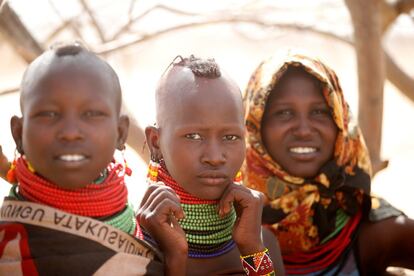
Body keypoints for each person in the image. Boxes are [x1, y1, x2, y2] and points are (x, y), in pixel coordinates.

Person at [0, 43, 181, 275]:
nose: (70, 132)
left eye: (92, 114)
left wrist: (175, 259)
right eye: (48, 114)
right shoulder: (10, 246)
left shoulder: (151, 232)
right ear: (18, 133)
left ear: (120, 133)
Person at [243, 52, 414, 275]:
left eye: (320, 112)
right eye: (284, 113)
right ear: (255, 127)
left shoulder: (374, 230)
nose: (304, 130)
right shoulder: (224, 223)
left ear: (340, 124)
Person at [138, 55, 285, 275]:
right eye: (194, 136)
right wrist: (175, 259)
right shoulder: (131, 245)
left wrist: (251, 248)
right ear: (155, 142)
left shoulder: (260, 244)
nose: (215, 157)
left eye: (230, 137)